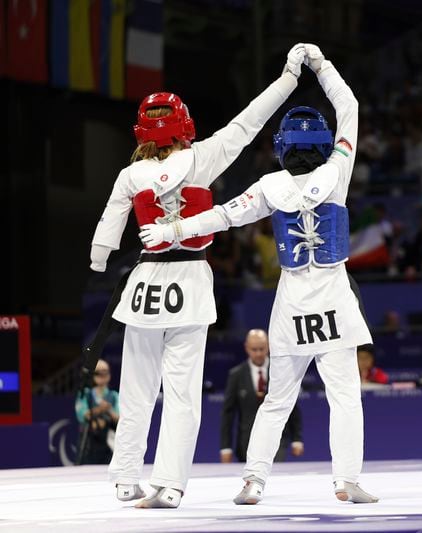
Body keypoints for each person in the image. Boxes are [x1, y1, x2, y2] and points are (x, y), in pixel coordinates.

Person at [139, 44, 378, 505]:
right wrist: (323, 66)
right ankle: (346, 480)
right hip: (333, 296)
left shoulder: (269, 187)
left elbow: (223, 216)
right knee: (345, 394)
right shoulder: (339, 169)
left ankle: (254, 481)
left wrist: (174, 228)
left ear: (282, 145)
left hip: (291, 302)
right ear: (324, 142)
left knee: (278, 397)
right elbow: (348, 106)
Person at [90, 45, 303, 508]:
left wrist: (99, 256)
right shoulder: (204, 158)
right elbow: (249, 124)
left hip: (146, 284)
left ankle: (127, 478)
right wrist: (288, 79)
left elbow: (110, 221)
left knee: (137, 387)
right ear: (185, 125)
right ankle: (170, 483)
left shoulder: (132, 174)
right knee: (182, 392)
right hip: (189, 283)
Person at [220, 329, 303, 464]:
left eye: (261, 349)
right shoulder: (236, 375)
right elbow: (227, 414)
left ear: (269, 346)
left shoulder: (281, 373)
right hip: (246, 442)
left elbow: (292, 405)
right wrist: (225, 448)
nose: (258, 353)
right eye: (254, 349)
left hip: (277, 440)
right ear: (246, 348)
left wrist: (297, 439)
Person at [75, 359, 119, 465]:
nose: (102, 374)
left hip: (109, 445)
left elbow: (119, 418)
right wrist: (100, 409)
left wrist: (108, 409)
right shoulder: (85, 394)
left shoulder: (113, 395)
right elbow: (83, 415)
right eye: (99, 371)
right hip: (89, 444)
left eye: (105, 371)